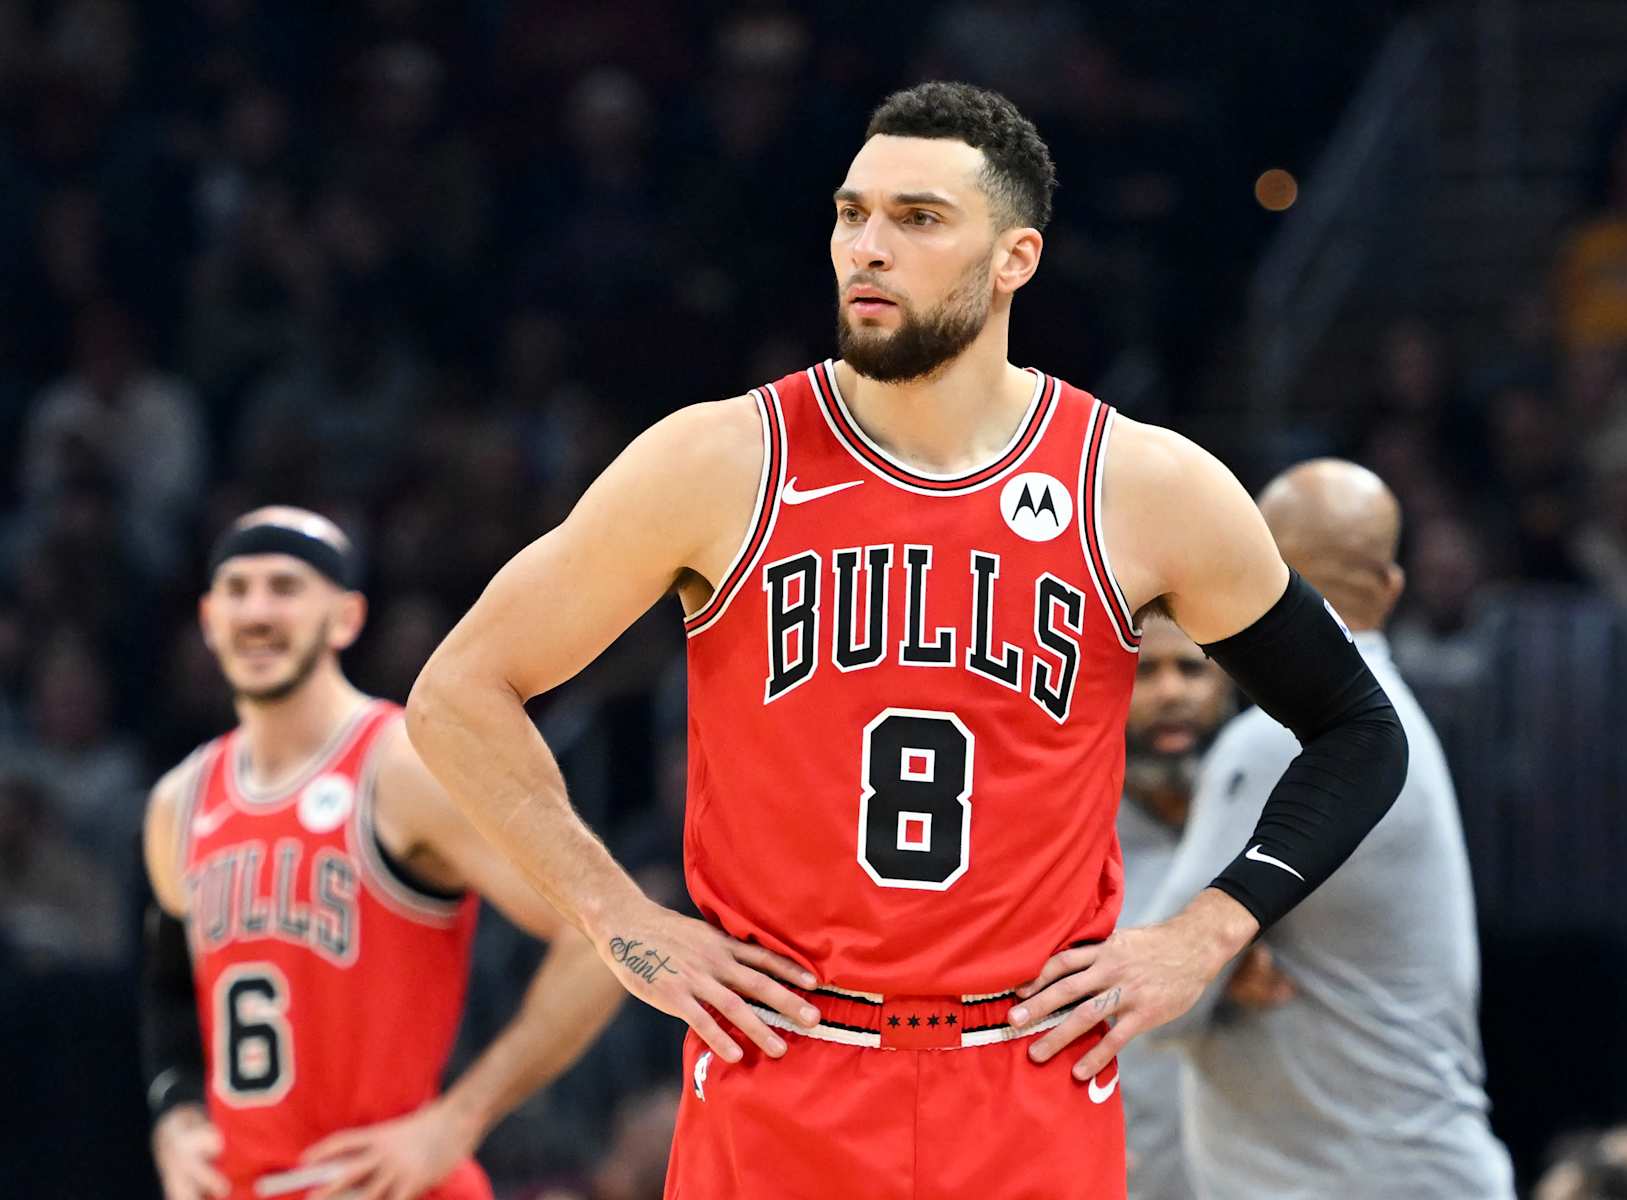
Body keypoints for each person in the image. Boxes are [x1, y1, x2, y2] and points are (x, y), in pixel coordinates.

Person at [408, 82, 1409, 1200]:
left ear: (1015, 257)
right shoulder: (721, 461)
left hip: (1025, 1076)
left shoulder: (1142, 485)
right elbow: (457, 693)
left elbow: (1359, 726)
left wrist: (1204, 933)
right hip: (782, 1070)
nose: (867, 249)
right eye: (852, 214)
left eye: (918, 219)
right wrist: (615, 917)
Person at [140, 507, 621, 1200]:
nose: (257, 611)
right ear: (209, 619)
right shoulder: (178, 802)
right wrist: (174, 1117)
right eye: (237, 590)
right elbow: (168, 989)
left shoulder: (402, 768)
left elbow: (601, 939)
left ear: (346, 617)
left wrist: (459, 1119)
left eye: (284, 587)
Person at [1145, 458, 1513, 1199]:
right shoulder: (1390, 714)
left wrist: (1207, 968)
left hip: (1361, 1178)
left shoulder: (1280, 739)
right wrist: (1220, 965)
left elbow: (1156, 995)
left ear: (1251, 571)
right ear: (1392, 589)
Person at [1114, 624, 1232, 1200]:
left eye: (1191, 668)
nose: (1169, 693)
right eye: (1144, 671)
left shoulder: (1285, 831)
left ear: (1230, 685)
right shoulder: (1065, 838)